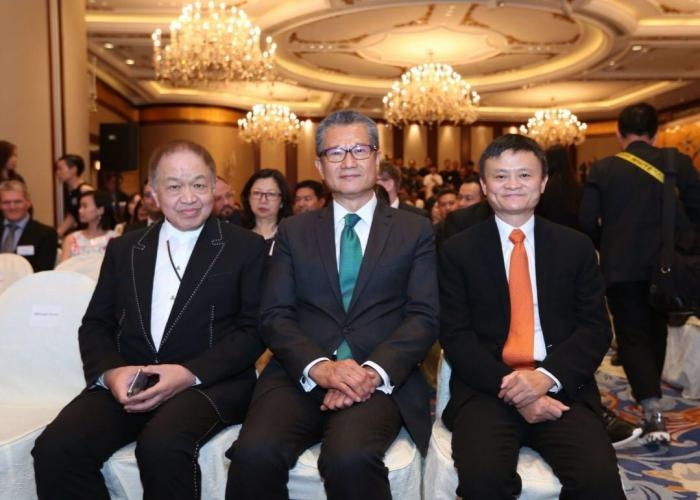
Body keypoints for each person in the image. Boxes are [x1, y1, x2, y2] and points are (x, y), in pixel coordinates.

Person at [32, 139, 266, 499]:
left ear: (214, 186)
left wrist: (187, 373)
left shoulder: (246, 246)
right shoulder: (126, 247)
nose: (189, 197)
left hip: (209, 382)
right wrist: (112, 374)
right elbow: (96, 324)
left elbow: (254, 330)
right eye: (174, 186)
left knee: (161, 446)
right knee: (56, 450)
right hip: (133, 378)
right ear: (154, 193)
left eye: (199, 184)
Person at [226, 110, 439, 499]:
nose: (349, 161)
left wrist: (370, 372)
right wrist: (321, 367)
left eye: (359, 149)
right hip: (300, 374)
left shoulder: (415, 229)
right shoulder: (295, 231)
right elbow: (274, 315)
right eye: (336, 152)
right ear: (320, 166)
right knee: (254, 453)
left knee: (349, 458)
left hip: (377, 378)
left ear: (377, 158)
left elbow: (423, 316)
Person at [440, 134, 624, 498]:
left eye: (524, 175)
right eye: (500, 176)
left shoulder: (576, 247)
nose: (512, 185)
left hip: (561, 385)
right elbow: (455, 335)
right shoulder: (458, 251)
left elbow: (595, 329)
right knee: (482, 481)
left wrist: (544, 379)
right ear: (484, 185)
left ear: (542, 182)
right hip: (487, 388)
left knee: (599, 481)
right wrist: (518, 391)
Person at [580, 102, 700, 443]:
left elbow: (587, 220)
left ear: (619, 134)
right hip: (668, 266)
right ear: (656, 133)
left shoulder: (603, 168)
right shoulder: (678, 163)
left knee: (632, 336)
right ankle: (652, 396)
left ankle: (652, 409)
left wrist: (608, 243)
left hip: (621, 267)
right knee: (657, 330)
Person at [0, 180, 57, 271]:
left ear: (28, 203)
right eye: (6, 202)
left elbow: (43, 272)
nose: (12, 207)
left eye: (18, 202)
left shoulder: (46, 234)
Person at [240, 168, 292, 253]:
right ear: (248, 198)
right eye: (257, 193)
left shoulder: (290, 236)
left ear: (282, 201)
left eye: (271, 194)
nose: (263, 200)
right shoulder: (237, 234)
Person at [59, 190, 117, 263]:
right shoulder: (72, 239)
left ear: (100, 210)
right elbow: (63, 267)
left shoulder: (114, 239)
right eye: (80, 206)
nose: (80, 211)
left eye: (85, 206)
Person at [55, 154, 93, 238]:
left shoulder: (85, 190)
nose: (57, 172)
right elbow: (72, 216)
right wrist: (55, 235)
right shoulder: (69, 191)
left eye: (60, 169)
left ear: (73, 170)